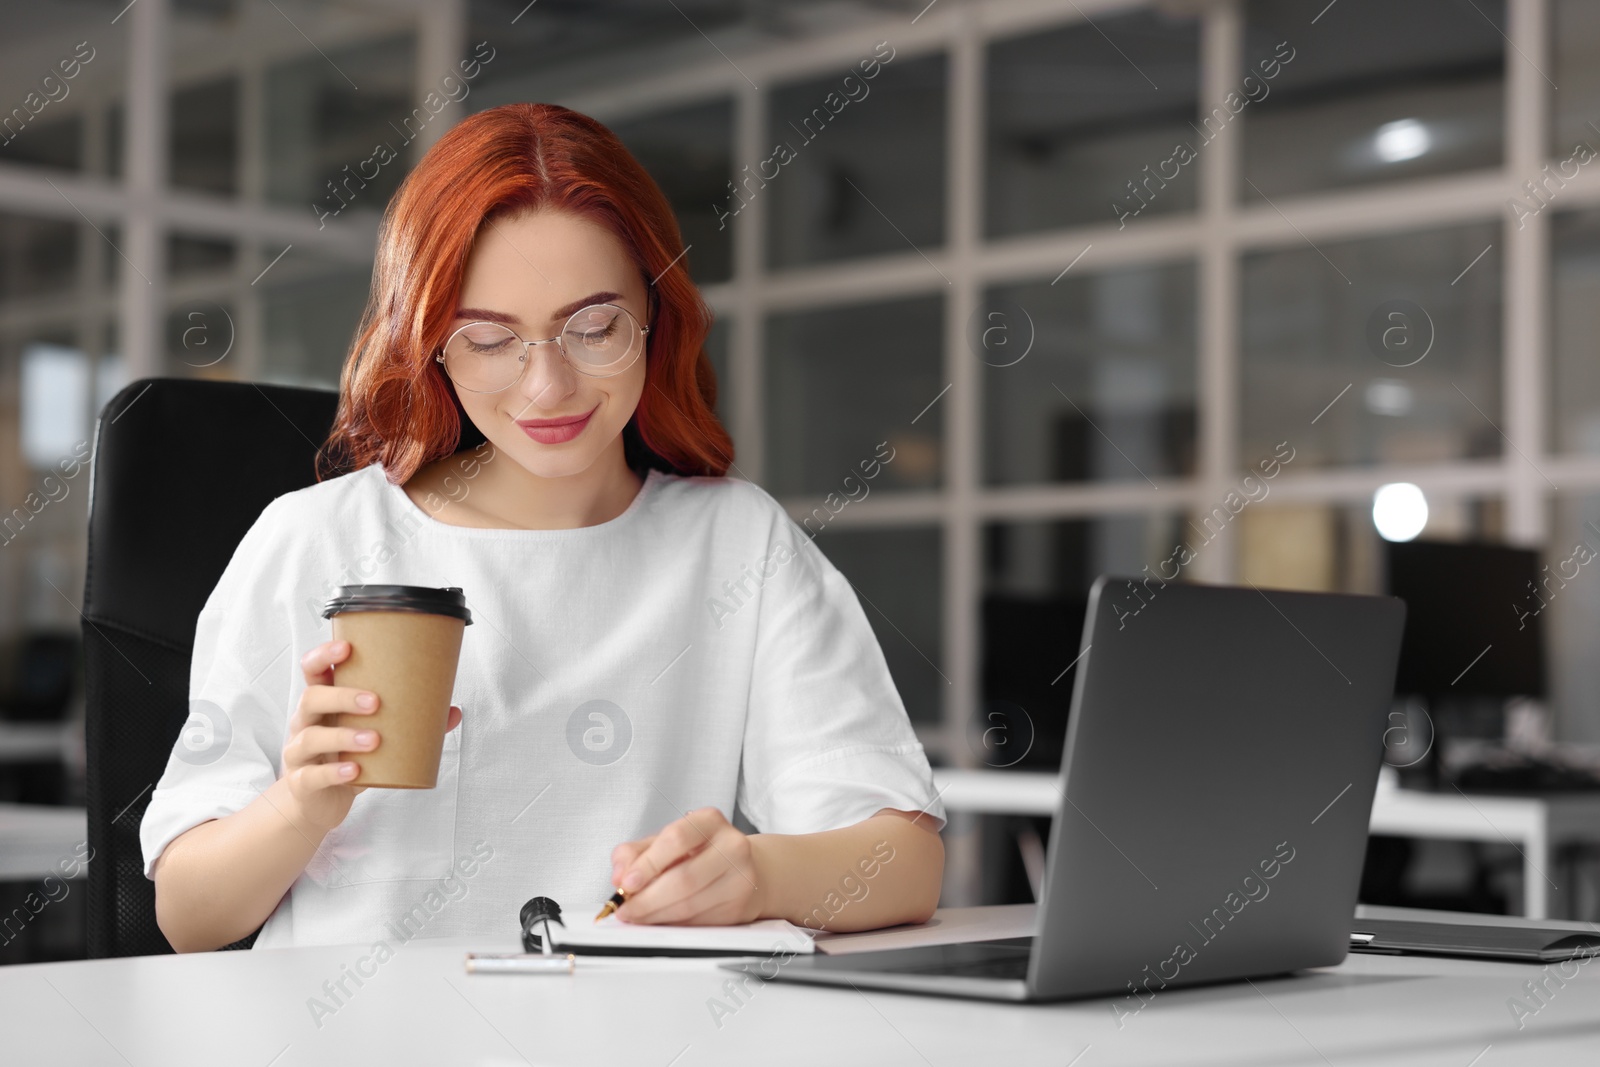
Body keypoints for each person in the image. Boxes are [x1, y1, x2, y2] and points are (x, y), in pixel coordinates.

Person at [141, 102, 945, 952]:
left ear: (655, 315)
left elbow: (906, 864)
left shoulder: (737, 545)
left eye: (594, 327)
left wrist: (757, 875)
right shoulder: (316, 541)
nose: (547, 387)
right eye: (489, 340)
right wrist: (297, 808)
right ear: (431, 348)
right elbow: (187, 917)